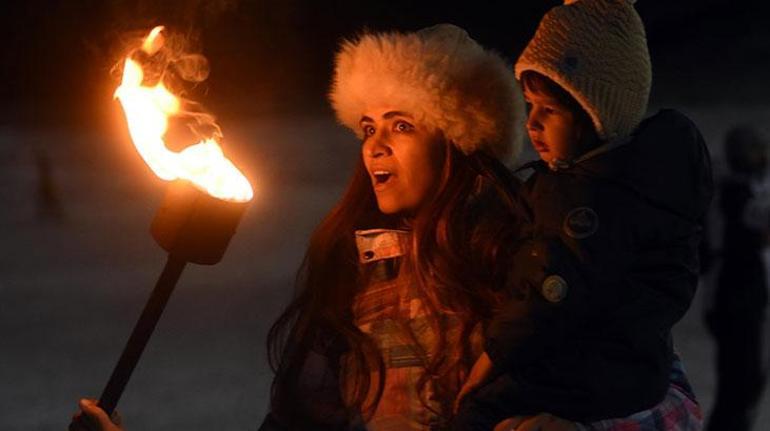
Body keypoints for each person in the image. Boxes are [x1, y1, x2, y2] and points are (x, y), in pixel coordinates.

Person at [70, 23, 704, 431]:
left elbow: (665, 394)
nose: (374, 145)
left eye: (401, 125)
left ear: (460, 139)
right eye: (367, 128)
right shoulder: (346, 268)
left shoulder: (538, 255)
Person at [452, 0, 712, 429]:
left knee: (476, 411)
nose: (532, 123)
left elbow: (548, 290)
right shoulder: (639, 180)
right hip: (637, 367)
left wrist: (491, 357)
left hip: (590, 372)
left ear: (596, 114)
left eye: (548, 110)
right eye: (529, 105)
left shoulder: (585, 200)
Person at [704, 125, 769, 431]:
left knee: (743, 381)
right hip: (733, 296)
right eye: (757, 149)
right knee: (740, 382)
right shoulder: (734, 193)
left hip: (737, 296)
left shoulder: (733, 189)